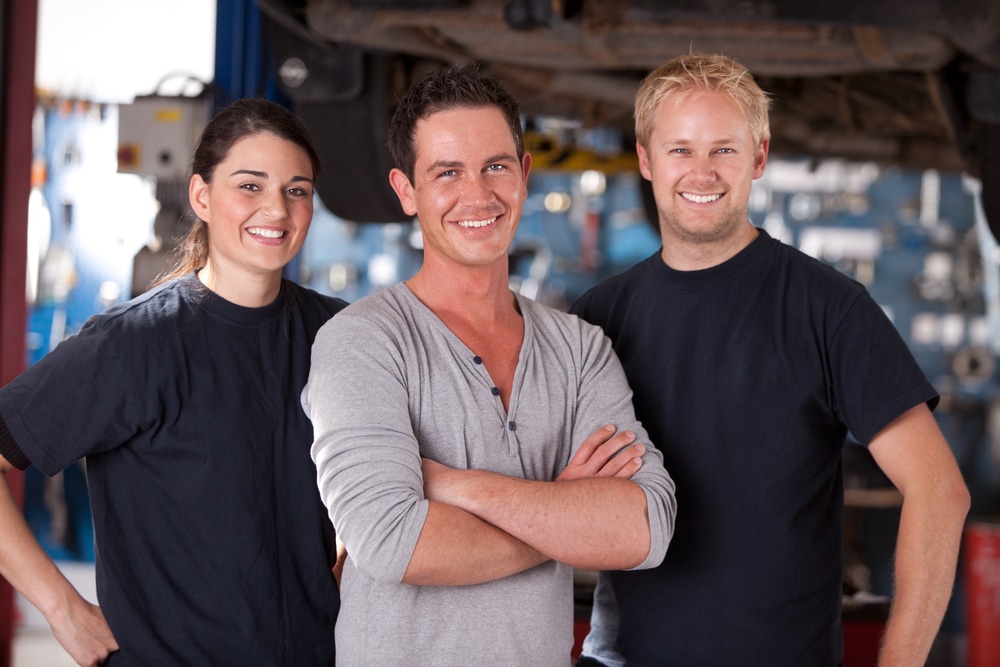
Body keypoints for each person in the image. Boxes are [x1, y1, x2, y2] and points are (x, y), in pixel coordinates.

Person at [571, 53, 971, 666]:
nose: (701, 172)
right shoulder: (598, 317)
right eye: (679, 150)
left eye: (723, 150)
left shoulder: (829, 308)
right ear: (646, 160)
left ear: (758, 157)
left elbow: (939, 491)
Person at [302, 62, 677, 665]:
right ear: (406, 191)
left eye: (495, 167)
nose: (478, 196)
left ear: (524, 175)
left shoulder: (580, 349)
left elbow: (644, 528)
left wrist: (453, 485)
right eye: (447, 172)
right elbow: (395, 544)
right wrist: (561, 513)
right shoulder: (362, 342)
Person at [0, 98, 346, 666]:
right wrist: (62, 607)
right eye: (250, 186)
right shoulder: (132, 345)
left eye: (296, 189)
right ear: (201, 197)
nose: (276, 210)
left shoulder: (337, 333)